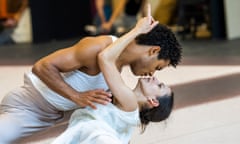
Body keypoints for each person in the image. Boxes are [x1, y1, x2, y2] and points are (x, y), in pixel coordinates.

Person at [0, 3, 182, 144]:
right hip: (28, 107)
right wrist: (76, 96)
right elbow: (41, 67)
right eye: (157, 67)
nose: (151, 73)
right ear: (153, 51)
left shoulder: (116, 74)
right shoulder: (99, 47)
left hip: (52, 115)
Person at [52, 7, 173, 143]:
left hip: (95, 135)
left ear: (153, 101)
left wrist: (137, 30)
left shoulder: (130, 102)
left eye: (160, 85)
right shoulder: (126, 106)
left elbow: (105, 58)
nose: (155, 77)